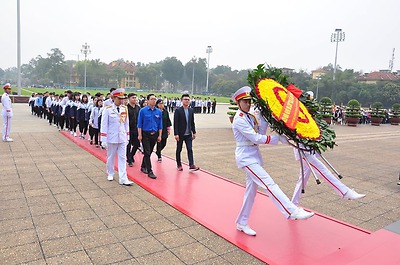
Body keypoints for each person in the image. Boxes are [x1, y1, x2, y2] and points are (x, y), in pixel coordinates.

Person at [232, 86, 314, 236]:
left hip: (254, 156)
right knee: (268, 183)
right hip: (246, 158)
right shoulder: (239, 119)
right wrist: (277, 139)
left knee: (251, 192)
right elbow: (256, 138)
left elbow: (260, 132)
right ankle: (292, 210)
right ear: (238, 103)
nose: (248, 104)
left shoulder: (250, 116)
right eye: (245, 102)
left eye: (249, 101)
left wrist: (267, 116)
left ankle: (242, 222)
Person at [291, 149, 366, 206]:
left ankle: (293, 204)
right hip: (304, 153)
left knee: (302, 180)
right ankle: (345, 192)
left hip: (309, 150)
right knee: (324, 171)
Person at [100, 88, 134, 186]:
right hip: (112, 137)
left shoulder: (124, 109)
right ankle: (110, 172)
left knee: (123, 158)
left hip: (122, 137)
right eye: (119, 98)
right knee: (110, 157)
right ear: (114, 98)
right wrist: (103, 139)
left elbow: (126, 124)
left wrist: (127, 136)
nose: (121, 101)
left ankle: (123, 178)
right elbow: (104, 125)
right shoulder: (107, 109)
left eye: (122, 99)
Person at [137, 93, 162, 179]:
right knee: (147, 152)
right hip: (145, 134)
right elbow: (139, 124)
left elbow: (160, 125)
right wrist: (139, 135)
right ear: (147, 101)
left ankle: (143, 166)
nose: (154, 101)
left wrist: (160, 136)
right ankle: (150, 170)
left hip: (154, 135)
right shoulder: (143, 111)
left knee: (150, 152)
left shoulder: (158, 111)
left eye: (155, 99)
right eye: (152, 99)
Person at [174, 93, 200, 171]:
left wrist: (194, 132)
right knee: (179, 149)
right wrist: (176, 134)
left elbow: (192, 122)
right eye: (185, 99)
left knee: (190, 149)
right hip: (181, 134)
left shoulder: (191, 110)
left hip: (188, 134)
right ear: (181, 100)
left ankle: (191, 164)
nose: (187, 101)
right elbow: (176, 123)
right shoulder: (178, 110)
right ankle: (179, 164)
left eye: (188, 100)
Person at [126, 93, 141, 167]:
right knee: (128, 145)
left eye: (135, 97)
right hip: (128, 129)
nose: (134, 99)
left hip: (137, 129)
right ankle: (129, 159)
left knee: (137, 144)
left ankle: (132, 155)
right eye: (133, 98)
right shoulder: (125, 108)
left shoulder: (138, 108)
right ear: (129, 99)